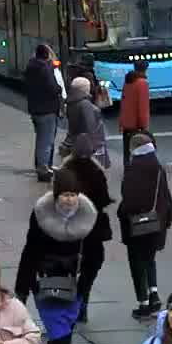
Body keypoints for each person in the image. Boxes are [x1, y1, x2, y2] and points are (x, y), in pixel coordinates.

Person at [15, 169, 96, 344]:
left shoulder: (90, 217)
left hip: (74, 287)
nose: (69, 200)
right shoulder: (41, 215)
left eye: (73, 195)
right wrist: (22, 289)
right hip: (47, 287)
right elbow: (30, 251)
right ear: (55, 195)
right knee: (59, 336)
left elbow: (96, 256)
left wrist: (84, 288)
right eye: (64, 195)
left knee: (64, 337)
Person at [118, 132, 172, 319]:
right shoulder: (158, 167)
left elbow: (129, 199)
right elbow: (166, 197)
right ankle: (154, 293)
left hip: (137, 225)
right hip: (156, 222)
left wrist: (122, 213)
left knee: (136, 262)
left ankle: (143, 302)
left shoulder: (133, 169)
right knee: (150, 259)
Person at [63, 135, 113, 323]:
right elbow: (103, 199)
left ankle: (69, 303)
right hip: (92, 229)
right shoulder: (96, 172)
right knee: (92, 265)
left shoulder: (65, 171)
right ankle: (82, 302)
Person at [24, 46, 64, 181]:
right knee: (46, 140)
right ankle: (43, 169)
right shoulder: (45, 69)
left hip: (35, 109)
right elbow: (53, 88)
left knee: (41, 139)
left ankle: (41, 165)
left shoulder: (31, 67)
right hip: (47, 109)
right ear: (47, 55)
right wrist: (59, 88)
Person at [62, 77, 106, 168]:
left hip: (75, 138)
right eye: (88, 86)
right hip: (86, 143)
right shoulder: (85, 104)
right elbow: (91, 126)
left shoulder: (71, 101)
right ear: (84, 88)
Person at [118, 62, 151, 162]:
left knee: (127, 150)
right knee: (138, 150)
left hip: (126, 123)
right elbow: (143, 106)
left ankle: (127, 172)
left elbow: (124, 103)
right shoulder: (142, 83)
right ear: (145, 69)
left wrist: (121, 122)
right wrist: (144, 125)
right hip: (136, 124)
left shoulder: (128, 81)